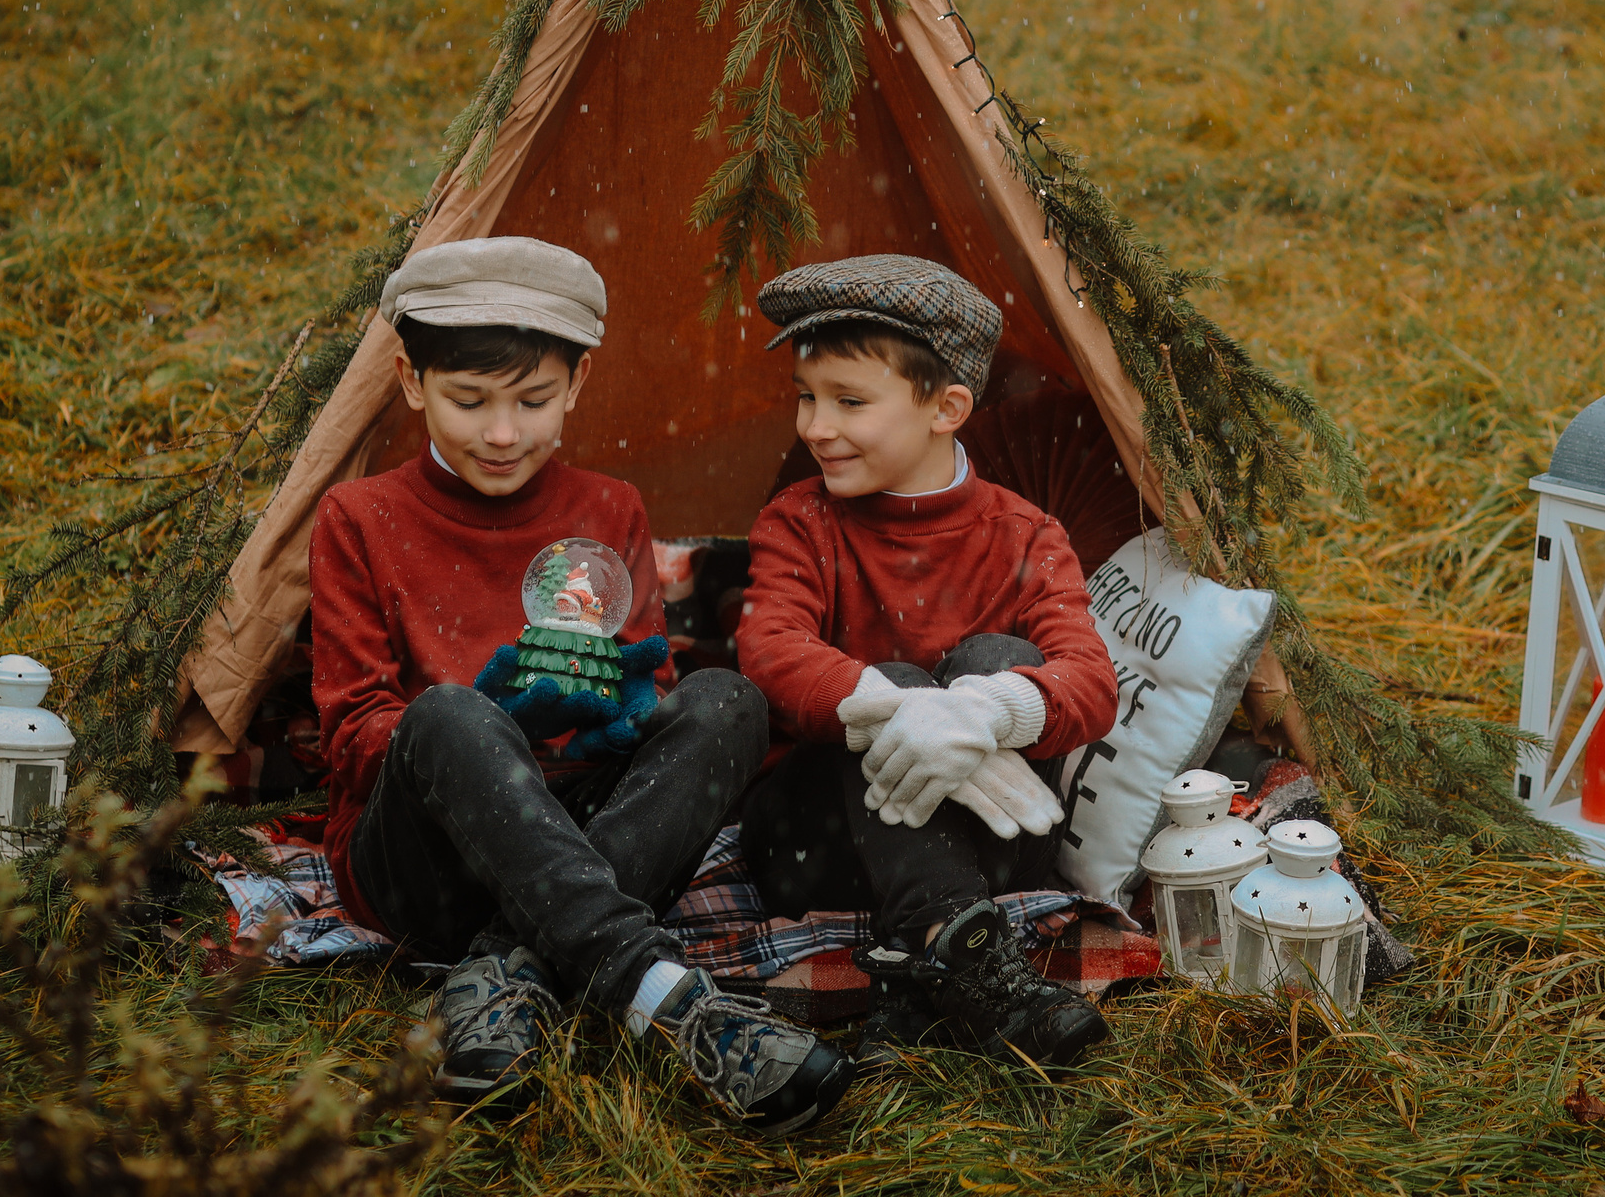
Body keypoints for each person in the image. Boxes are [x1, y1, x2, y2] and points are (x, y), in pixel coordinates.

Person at [309, 235, 853, 1129]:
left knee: (728, 702)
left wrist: (626, 716)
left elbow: (648, 690)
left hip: (588, 837)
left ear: (578, 384)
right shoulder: (358, 516)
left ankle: (508, 970)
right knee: (446, 713)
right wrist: (491, 726)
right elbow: (353, 736)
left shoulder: (609, 506)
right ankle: (664, 995)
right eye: (468, 401)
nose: (501, 433)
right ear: (411, 381)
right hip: (427, 864)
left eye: (532, 401)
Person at [735, 254, 1120, 1068]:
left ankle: (920, 971)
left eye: (849, 401)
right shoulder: (799, 521)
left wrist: (983, 712)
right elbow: (769, 649)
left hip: (997, 837)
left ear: (947, 408)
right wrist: (903, 708)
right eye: (806, 397)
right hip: (818, 848)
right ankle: (970, 962)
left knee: (1001, 660)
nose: (815, 427)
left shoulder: (1026, 535)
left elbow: (1090, 682)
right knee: (898, 683)